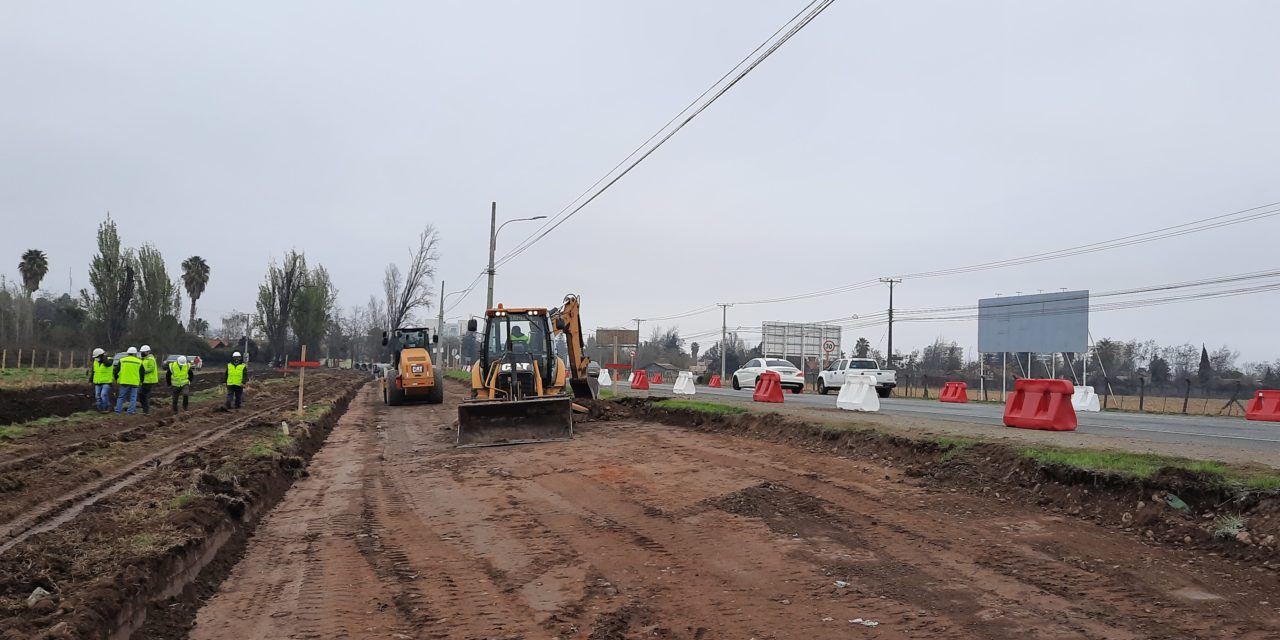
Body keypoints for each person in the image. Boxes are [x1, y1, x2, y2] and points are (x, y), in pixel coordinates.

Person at [114, 347, 144, 415]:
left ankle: (118, 412)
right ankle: (130, 412)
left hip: (124, 381)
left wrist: (116, 378)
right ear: (135, 354)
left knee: (121, 397)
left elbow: (116, 371)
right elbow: (142, 373)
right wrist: (142, 381)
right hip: (134, 382)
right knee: (133, 398)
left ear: (128, 353)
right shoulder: (139, 361)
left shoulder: (122, 360)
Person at [138, 345, 159, 414]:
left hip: (150, 380)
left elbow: (151, 368)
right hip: (145, 380)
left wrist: (142, 371)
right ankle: (145, 409)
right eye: (142, 352)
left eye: (143, 352)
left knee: (144, 395)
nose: (142, 353)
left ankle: (146, 410)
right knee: (142, 394)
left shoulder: (150, 359)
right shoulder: (144, 359)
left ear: (148, 352)